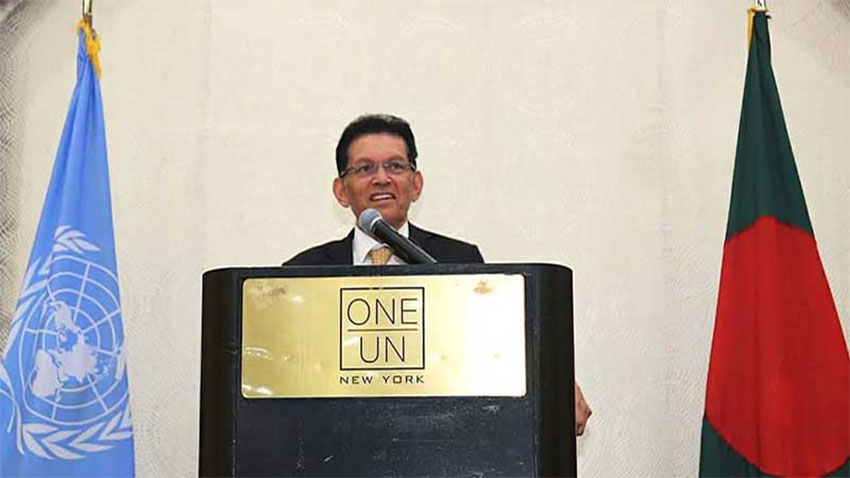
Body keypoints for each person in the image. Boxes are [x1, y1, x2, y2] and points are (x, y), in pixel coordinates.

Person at [284, 113, 592, 435]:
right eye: (365, 168)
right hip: (335, 437)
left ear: (416, 184)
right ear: (341, 191)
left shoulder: (459, 261)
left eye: (395, 166)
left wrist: (551, 381)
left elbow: (494, 347)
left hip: (435, 435)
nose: (381, 178)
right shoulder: (301, 275)